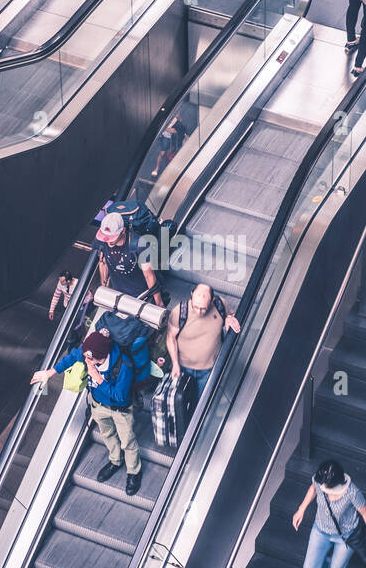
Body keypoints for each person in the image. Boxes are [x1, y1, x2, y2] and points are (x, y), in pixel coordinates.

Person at [31, 330, 142, 495]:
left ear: (102, 357)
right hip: (98, 406)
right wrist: (50, 373)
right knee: (107, 435)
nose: (86, 360)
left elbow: (120, 396)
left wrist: (97, 378)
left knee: (128, 442)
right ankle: (115, 461)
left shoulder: (123, 366)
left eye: (91, 359)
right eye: (86, 357)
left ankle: (134, 472)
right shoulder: (88, 353)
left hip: (120, 411)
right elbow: (70, 358)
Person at [167, 283, 241, 398]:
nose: (198, 312)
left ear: (212, 301)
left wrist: (229, 318)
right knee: (180, 400)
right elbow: (170, 337)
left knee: (203, 399)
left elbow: (232, 315)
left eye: (203, 309)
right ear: (191, 295)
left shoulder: (220, 304)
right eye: (195, 307)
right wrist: (175, 363)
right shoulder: (179, 312)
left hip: (208, 369)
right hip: (183, 367)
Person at [95, 212, 161, 303]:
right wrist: (104, 286)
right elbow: (103, 262)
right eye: (106, 237)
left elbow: (149, 276)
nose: (108, 241)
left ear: (123, 231)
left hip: (142, 295)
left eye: (111, 237)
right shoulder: (102, 240)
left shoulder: (139, 244)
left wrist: (159, 303)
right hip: (118, 294)